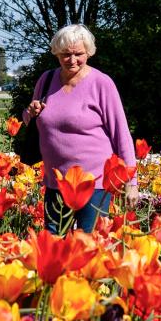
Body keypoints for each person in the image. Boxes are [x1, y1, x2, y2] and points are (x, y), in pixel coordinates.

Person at [23, 24, 138, 234]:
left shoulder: (102, 84)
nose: (72, 60)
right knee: (54, 245)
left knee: (90, 243)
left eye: (79, 54)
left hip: (93, 183)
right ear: (57, 53)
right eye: (66, 54)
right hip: (56, 182)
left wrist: (131, 183)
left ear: (89, 53)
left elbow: (121, 134)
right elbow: (31, 120)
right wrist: (30, 112)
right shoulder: (46, 80)